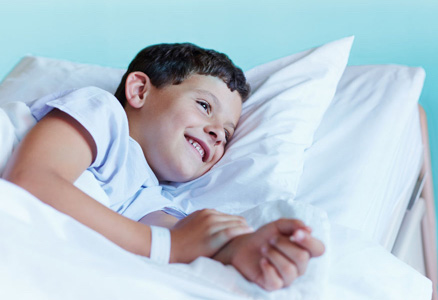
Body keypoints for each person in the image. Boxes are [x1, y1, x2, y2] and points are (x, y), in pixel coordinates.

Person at [1, 43, 324, 291]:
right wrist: (167, 247)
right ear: (139, 91)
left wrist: (244, 249)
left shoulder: (151, 196)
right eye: (203, 106)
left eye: (226, 134)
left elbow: (185, 240)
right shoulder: (102, 112)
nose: (215, 132)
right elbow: (32, 180)